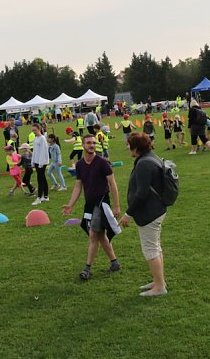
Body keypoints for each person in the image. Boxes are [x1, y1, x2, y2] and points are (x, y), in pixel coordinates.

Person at [61, 133, 122, 280]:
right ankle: (115, 263)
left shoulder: (102, 163)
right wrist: (70, 205)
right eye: (88, 143)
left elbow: (113, 185)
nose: (92, 145)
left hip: (102, 203)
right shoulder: (80, 165)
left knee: (94, 235)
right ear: (83, 145)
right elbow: (78, 186)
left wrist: (117, 206)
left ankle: (87, 269)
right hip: (89, 204)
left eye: (94, 143)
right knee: (100, 235)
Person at [119, 133, 168, 296]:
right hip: (156, 210)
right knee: (155, 247)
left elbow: (141, 193)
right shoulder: (150, 157)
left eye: (129, 145)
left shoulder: (144, 164)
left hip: (150, 212)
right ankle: (158, 280)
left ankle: (160, 287)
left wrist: (128, 214)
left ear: (136, 147)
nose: (127, 148)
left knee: (150, 249)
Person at [30, 124, 50, 205]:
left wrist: (41, 163)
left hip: (42, 162)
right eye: (33, 130)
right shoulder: (35, 138)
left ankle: (39, 198)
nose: (34, 131)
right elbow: (34, 151)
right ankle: (46, 196)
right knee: (43, 178)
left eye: (35, 130)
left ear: (39, 129)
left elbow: (43, 151)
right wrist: (33, 161)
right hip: (37, 161)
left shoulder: (42, 139)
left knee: (40, 179)